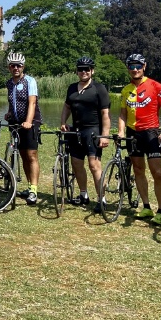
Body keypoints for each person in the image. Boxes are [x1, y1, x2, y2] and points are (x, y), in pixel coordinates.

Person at [117, 53, 161, 226]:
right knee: (138, 170)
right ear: (128, 68)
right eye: (131, 66)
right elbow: (123, 114)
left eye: (138, 66)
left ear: (144, 67)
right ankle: (146, 206)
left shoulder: (155, 86)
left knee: (157, 172)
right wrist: (121, 131)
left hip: (151, 132)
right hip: (133, 133)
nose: (135, 69)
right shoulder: (126, 90)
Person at [59, 56, 111, 213]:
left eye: (86, 69)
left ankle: (101, 199)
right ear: (77, 71)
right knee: (76, 163)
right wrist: (63, 122)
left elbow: (105, 114)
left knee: (94, 166)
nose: (83, 72)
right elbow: (67, 107)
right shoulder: (72, 88)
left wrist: (105, 135)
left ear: (92, 71)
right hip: (76, 130)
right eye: (80, 69)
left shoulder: (99, 88)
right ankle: (83, 195)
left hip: (93, 130)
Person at [5, 52, 42, 206]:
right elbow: (12, 101)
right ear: (9, 67)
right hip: (15, 123)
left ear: (23, 67)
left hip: (30, 122)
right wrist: (9, 113)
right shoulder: (9, 83)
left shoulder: (30, 81)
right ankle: (29, 185)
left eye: (18, 65)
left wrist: (28, 121)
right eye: (13, 65)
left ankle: (34, 189)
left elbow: (32, 103)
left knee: (31, 155)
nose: (16, 68)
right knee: (22, 155)